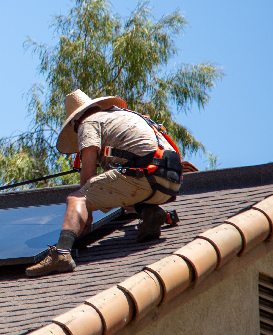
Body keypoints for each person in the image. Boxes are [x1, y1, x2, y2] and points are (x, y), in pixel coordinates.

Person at [25, 89, 183, 277]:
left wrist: (86, 210)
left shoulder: (88, 122)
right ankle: (150, 212)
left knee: (77, 199)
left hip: (145, 174)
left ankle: (61, 254)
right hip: (170, 182)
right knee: (119, 190)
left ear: (76, 122)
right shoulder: (121, 115)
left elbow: (88, 176)